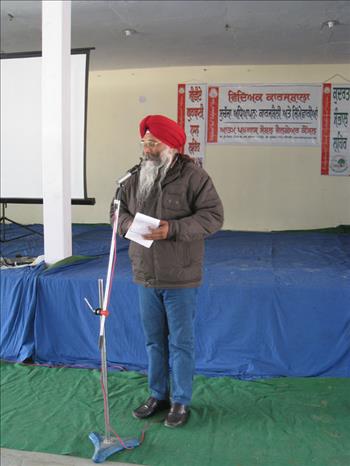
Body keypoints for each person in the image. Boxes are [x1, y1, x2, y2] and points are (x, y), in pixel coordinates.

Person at [110, 114, 224, 428]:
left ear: (171, 145)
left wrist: (172, 228)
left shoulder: (195, 177)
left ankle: (180, 401)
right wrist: (126, 225)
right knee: (153, 342)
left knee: (181, 343)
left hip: (181, 276)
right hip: (145, 274)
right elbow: (116, 211)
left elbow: (213, 217)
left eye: (153, 143)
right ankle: (158, 395)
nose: (147, 149)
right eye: (144, 142)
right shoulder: (134, 176)